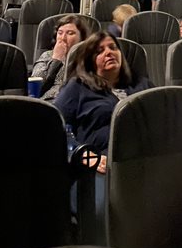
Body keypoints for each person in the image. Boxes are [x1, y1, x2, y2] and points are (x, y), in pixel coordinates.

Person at [54, 32, 151, 165]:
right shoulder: (77, 88)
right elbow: (55, 129)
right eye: (100, 51)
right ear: (90, 61)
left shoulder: (143, 84)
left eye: (113, 47)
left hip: (148, 159)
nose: (109, 52)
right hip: (101, 163)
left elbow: (165, 121)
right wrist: (83, 154)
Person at [30, 14, 90, 101]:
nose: (63, 38)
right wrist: (56, 60)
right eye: (60, 33)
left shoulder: (89, 57)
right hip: (47, 103)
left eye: (70, 33)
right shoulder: (47, 56)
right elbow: (36, 88)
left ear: (82, 38)